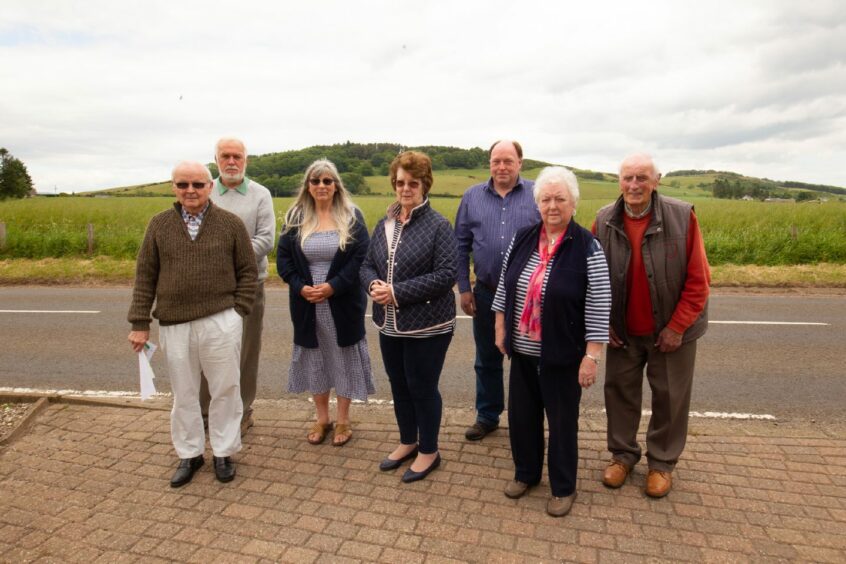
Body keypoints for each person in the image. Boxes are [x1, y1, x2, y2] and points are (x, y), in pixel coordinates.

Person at [128, 161, 257, 487]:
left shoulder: (231, 224)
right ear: (174, 187)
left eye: (197, 185)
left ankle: (224, 452)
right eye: (183, 184)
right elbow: (145, 276)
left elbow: (247, 272)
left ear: (209, 187)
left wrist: (237, 311)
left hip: (221, 322)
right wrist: (139, 322)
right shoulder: (159, 225)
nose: (190, 191)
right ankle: (190, 453)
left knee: (225, 389)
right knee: (184, 393)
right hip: (175, 323)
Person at [492, 166, 611, 517]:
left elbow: (599, 304)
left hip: (563, 355)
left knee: (561, 425)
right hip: (523, 352)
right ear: (537, 203)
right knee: (522, 418)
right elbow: (504, 286)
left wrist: (592, 356)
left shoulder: (587, 246)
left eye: (560, 198)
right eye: (546, 199)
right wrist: (500, 328)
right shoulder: (523, 237)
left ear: (573, 203)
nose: (552, 205)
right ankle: (526, 474)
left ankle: (563, 487)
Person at [593, 153, 710, 498]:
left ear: (656, 181)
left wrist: (677, 327)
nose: (634, 185)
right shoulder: (603, 220)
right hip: (623, 331)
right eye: (628, 178)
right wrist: (603, 323)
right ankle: (622, 456)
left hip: (672, 332)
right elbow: (593, 278)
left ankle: (661, 463)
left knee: (670, 399)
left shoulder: (681, 216)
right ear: (619, 182)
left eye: (642, 178)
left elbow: (698, 280)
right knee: (619, 394)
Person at [360, 151, 457, 483]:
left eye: (412, 183)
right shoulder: (384, 223)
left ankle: (429, 451)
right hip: (389, 324)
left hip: (429, 326)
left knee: (422, 387)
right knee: (399, 385)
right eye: (400, 183)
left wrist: (397, 292)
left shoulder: (439, 225)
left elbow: (447, 275)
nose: (405, 189)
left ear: (424, 184)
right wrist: (372, 283)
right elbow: (367, 264)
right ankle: (408, 442)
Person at [277, 159, 374, 446]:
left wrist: (333, 287)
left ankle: (343, 419)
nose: (321, 186)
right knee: (315, 359)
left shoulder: (351, 216)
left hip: (342, 302)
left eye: (327, 181)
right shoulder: (295, 217)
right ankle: (322, 418)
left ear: (336, 185)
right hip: (306, 303)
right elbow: (283, 260)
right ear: (308, 185)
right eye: (315, 181)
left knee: (343, 358)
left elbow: (361, 258)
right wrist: (301, 288)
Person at [455, 140, 540, 441]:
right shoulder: (472, 197)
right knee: (487, 357)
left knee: (527, 360)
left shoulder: (537, 194)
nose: (501, 167)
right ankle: (488, 415)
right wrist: (464, 288)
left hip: (528, 296)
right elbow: (461, 244)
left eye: (508, 160)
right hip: (486, 292)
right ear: (489, 163)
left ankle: (525, 417)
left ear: (520, 163)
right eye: (496, 161)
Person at [199, 137, 275, 433]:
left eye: (237, 156)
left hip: (249, 286)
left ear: (246, 160)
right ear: (215, 160)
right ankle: (206, 413)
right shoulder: (204, 191)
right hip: (208, 288)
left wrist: (228, 258)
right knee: (207, 351)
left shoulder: (260, 194)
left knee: (245, 352)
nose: (231, 161)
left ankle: (242, 412)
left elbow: (266, 240)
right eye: (225, 156)